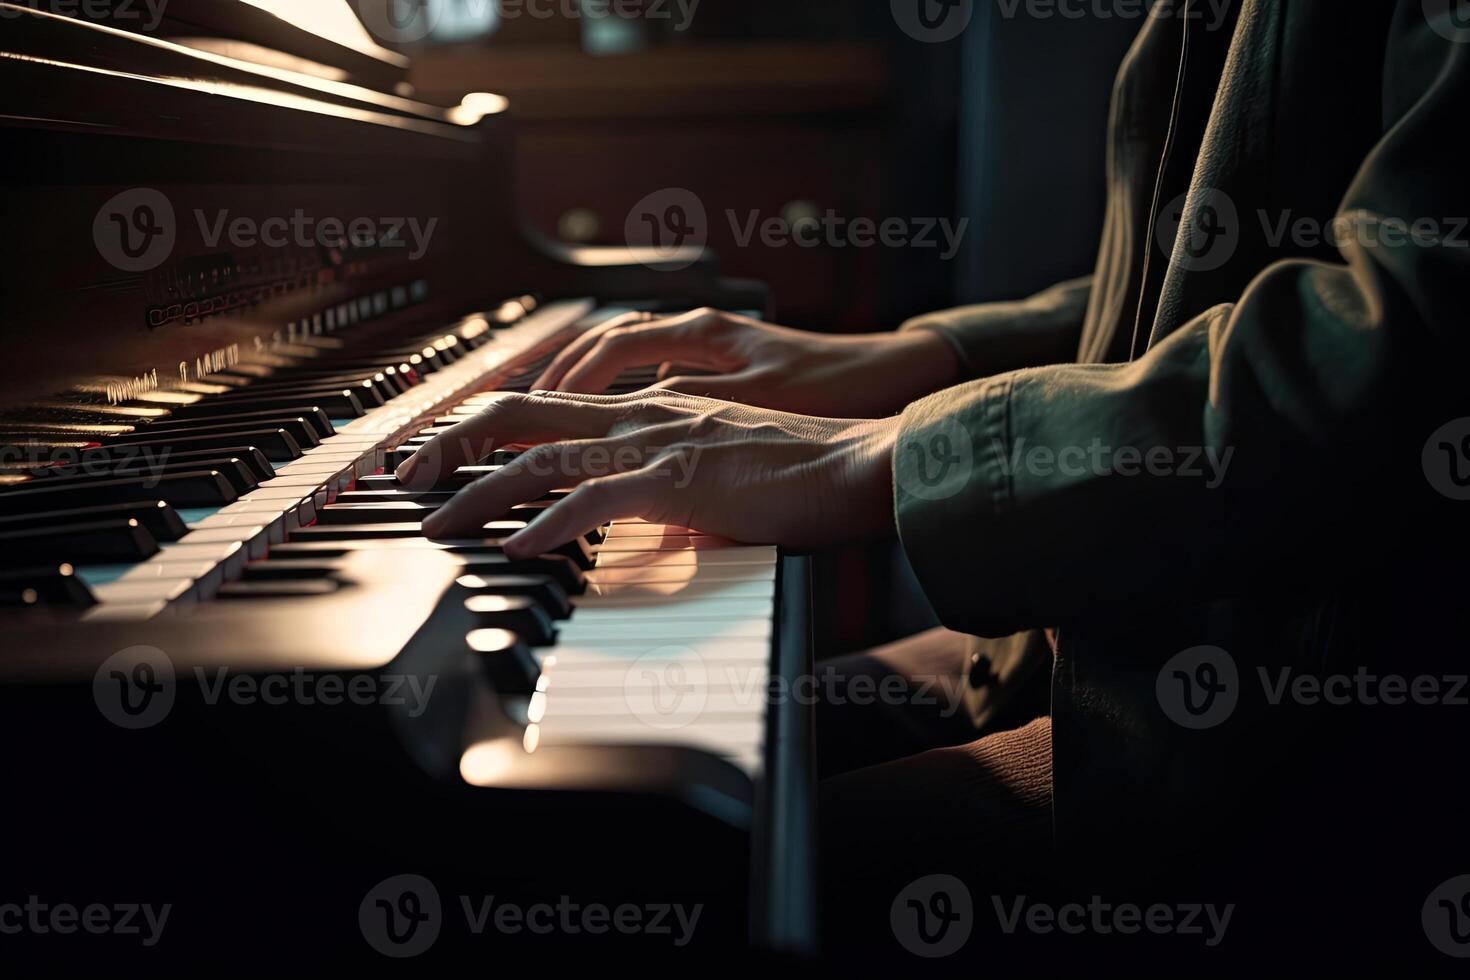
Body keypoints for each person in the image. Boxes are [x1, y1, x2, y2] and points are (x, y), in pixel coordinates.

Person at [400, 0, 1468, 963]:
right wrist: (912, 357)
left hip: (1284, 726)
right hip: (1137, 638)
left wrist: (882, 454)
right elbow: (1208, 263)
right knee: (617, 746)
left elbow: (1409, 348)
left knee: (599, 881)